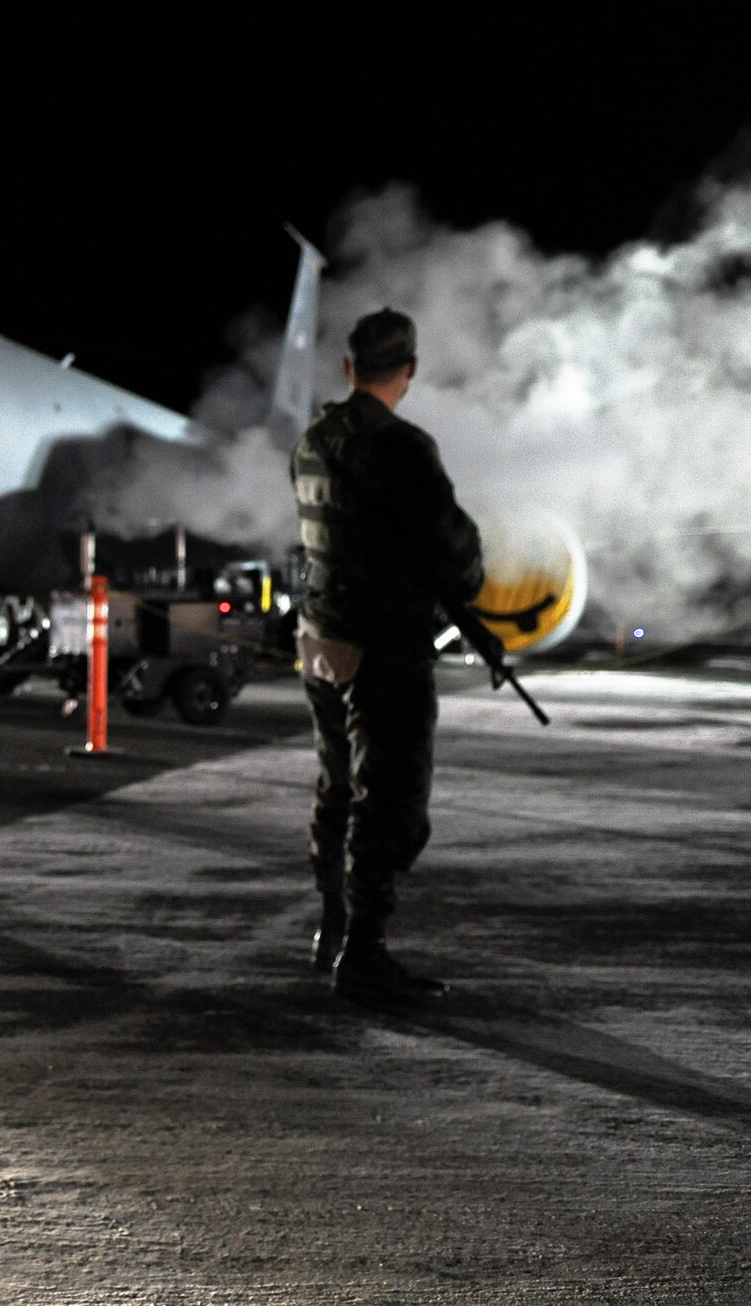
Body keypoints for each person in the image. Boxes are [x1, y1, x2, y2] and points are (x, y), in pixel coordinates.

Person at [292, 308, 483, 1006]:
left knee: (337, 782)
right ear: (411, 370)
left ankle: (332, 929)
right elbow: (455, 551)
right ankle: (364, 953)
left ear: (349, 367)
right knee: (390, 795)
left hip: (321, 638)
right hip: (381, 646)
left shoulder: (313, 440)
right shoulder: (403, 446)